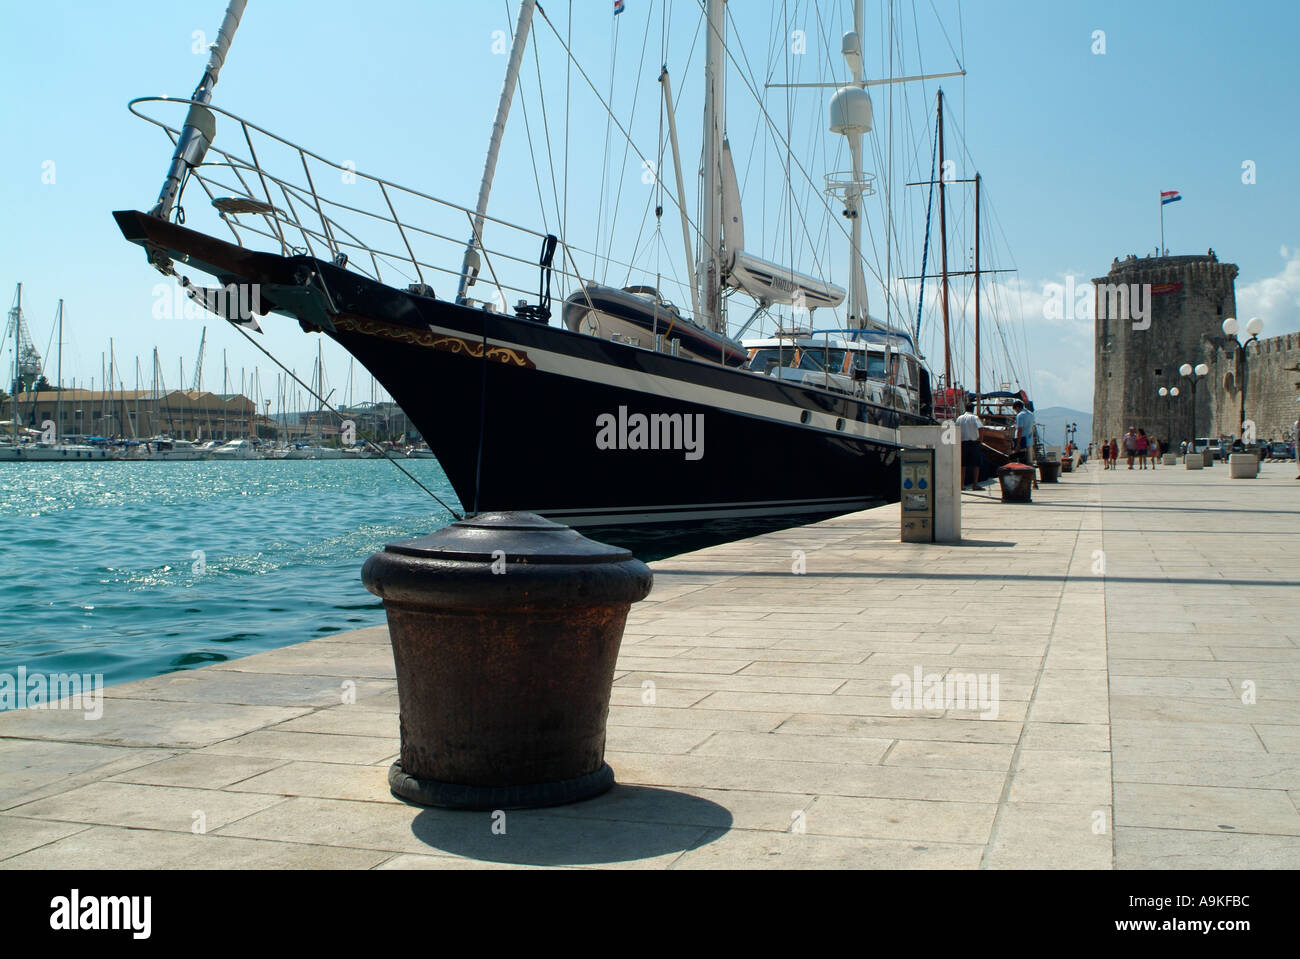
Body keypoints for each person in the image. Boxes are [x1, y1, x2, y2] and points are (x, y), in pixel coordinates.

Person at [955, 401, 983, 491]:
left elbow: (956, 430)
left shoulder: (960, 418)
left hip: (963, 442)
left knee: (963, 464)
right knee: (976, 464)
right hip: (974, 442)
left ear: (965, 409)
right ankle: (975, 484)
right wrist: (980, 440)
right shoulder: (975, 417)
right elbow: (981, 428)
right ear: (973, 409)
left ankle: (961, 485)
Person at [1012, 399, 1039, 488]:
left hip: (1022, 440)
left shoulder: (1020, 416)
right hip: (1030, 440)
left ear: (1017, 408)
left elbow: (1020, 430)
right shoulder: (1030, 414)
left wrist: (1018, 444)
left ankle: (1022, 482)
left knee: (1021, 463)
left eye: (1015, 410)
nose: (1015, 412)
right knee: (1030, 463)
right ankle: (1034, 482)